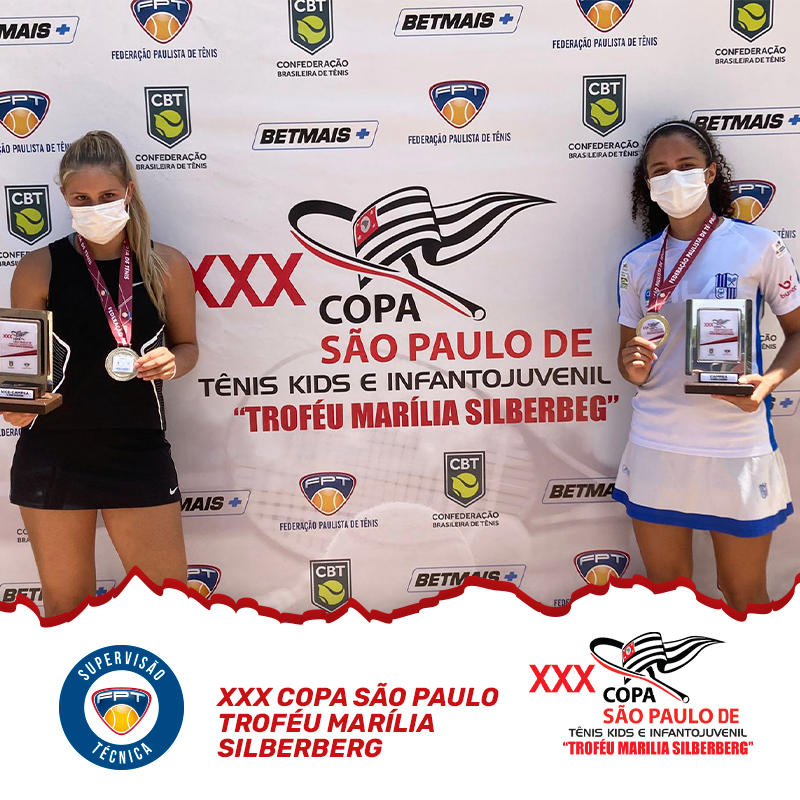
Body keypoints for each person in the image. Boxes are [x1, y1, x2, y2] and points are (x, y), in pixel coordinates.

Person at [4, 130, 198, 617]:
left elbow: (188, 347)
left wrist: (174, 363)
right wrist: (16, 404)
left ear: (128, 191)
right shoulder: (37, 267)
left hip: (137, 449)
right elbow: (19, 373)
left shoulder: (167, 264)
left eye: (107, 195)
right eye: (82, 199)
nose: (96, 206)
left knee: (167, 607)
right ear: (64, 198)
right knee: (66, 609)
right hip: (53, 453)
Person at [613, 119, 800, 613]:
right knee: (669, 601)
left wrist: (768, 382)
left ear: (711, 172)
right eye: (660, 170)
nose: (673, 178)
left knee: (744, 598)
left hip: (735, 445)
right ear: (648, 184)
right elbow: (629, 360)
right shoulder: (637, 263)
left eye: (686, 165)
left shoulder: (759, 246)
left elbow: (799, 331)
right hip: (657, 443)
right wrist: (633, 366)